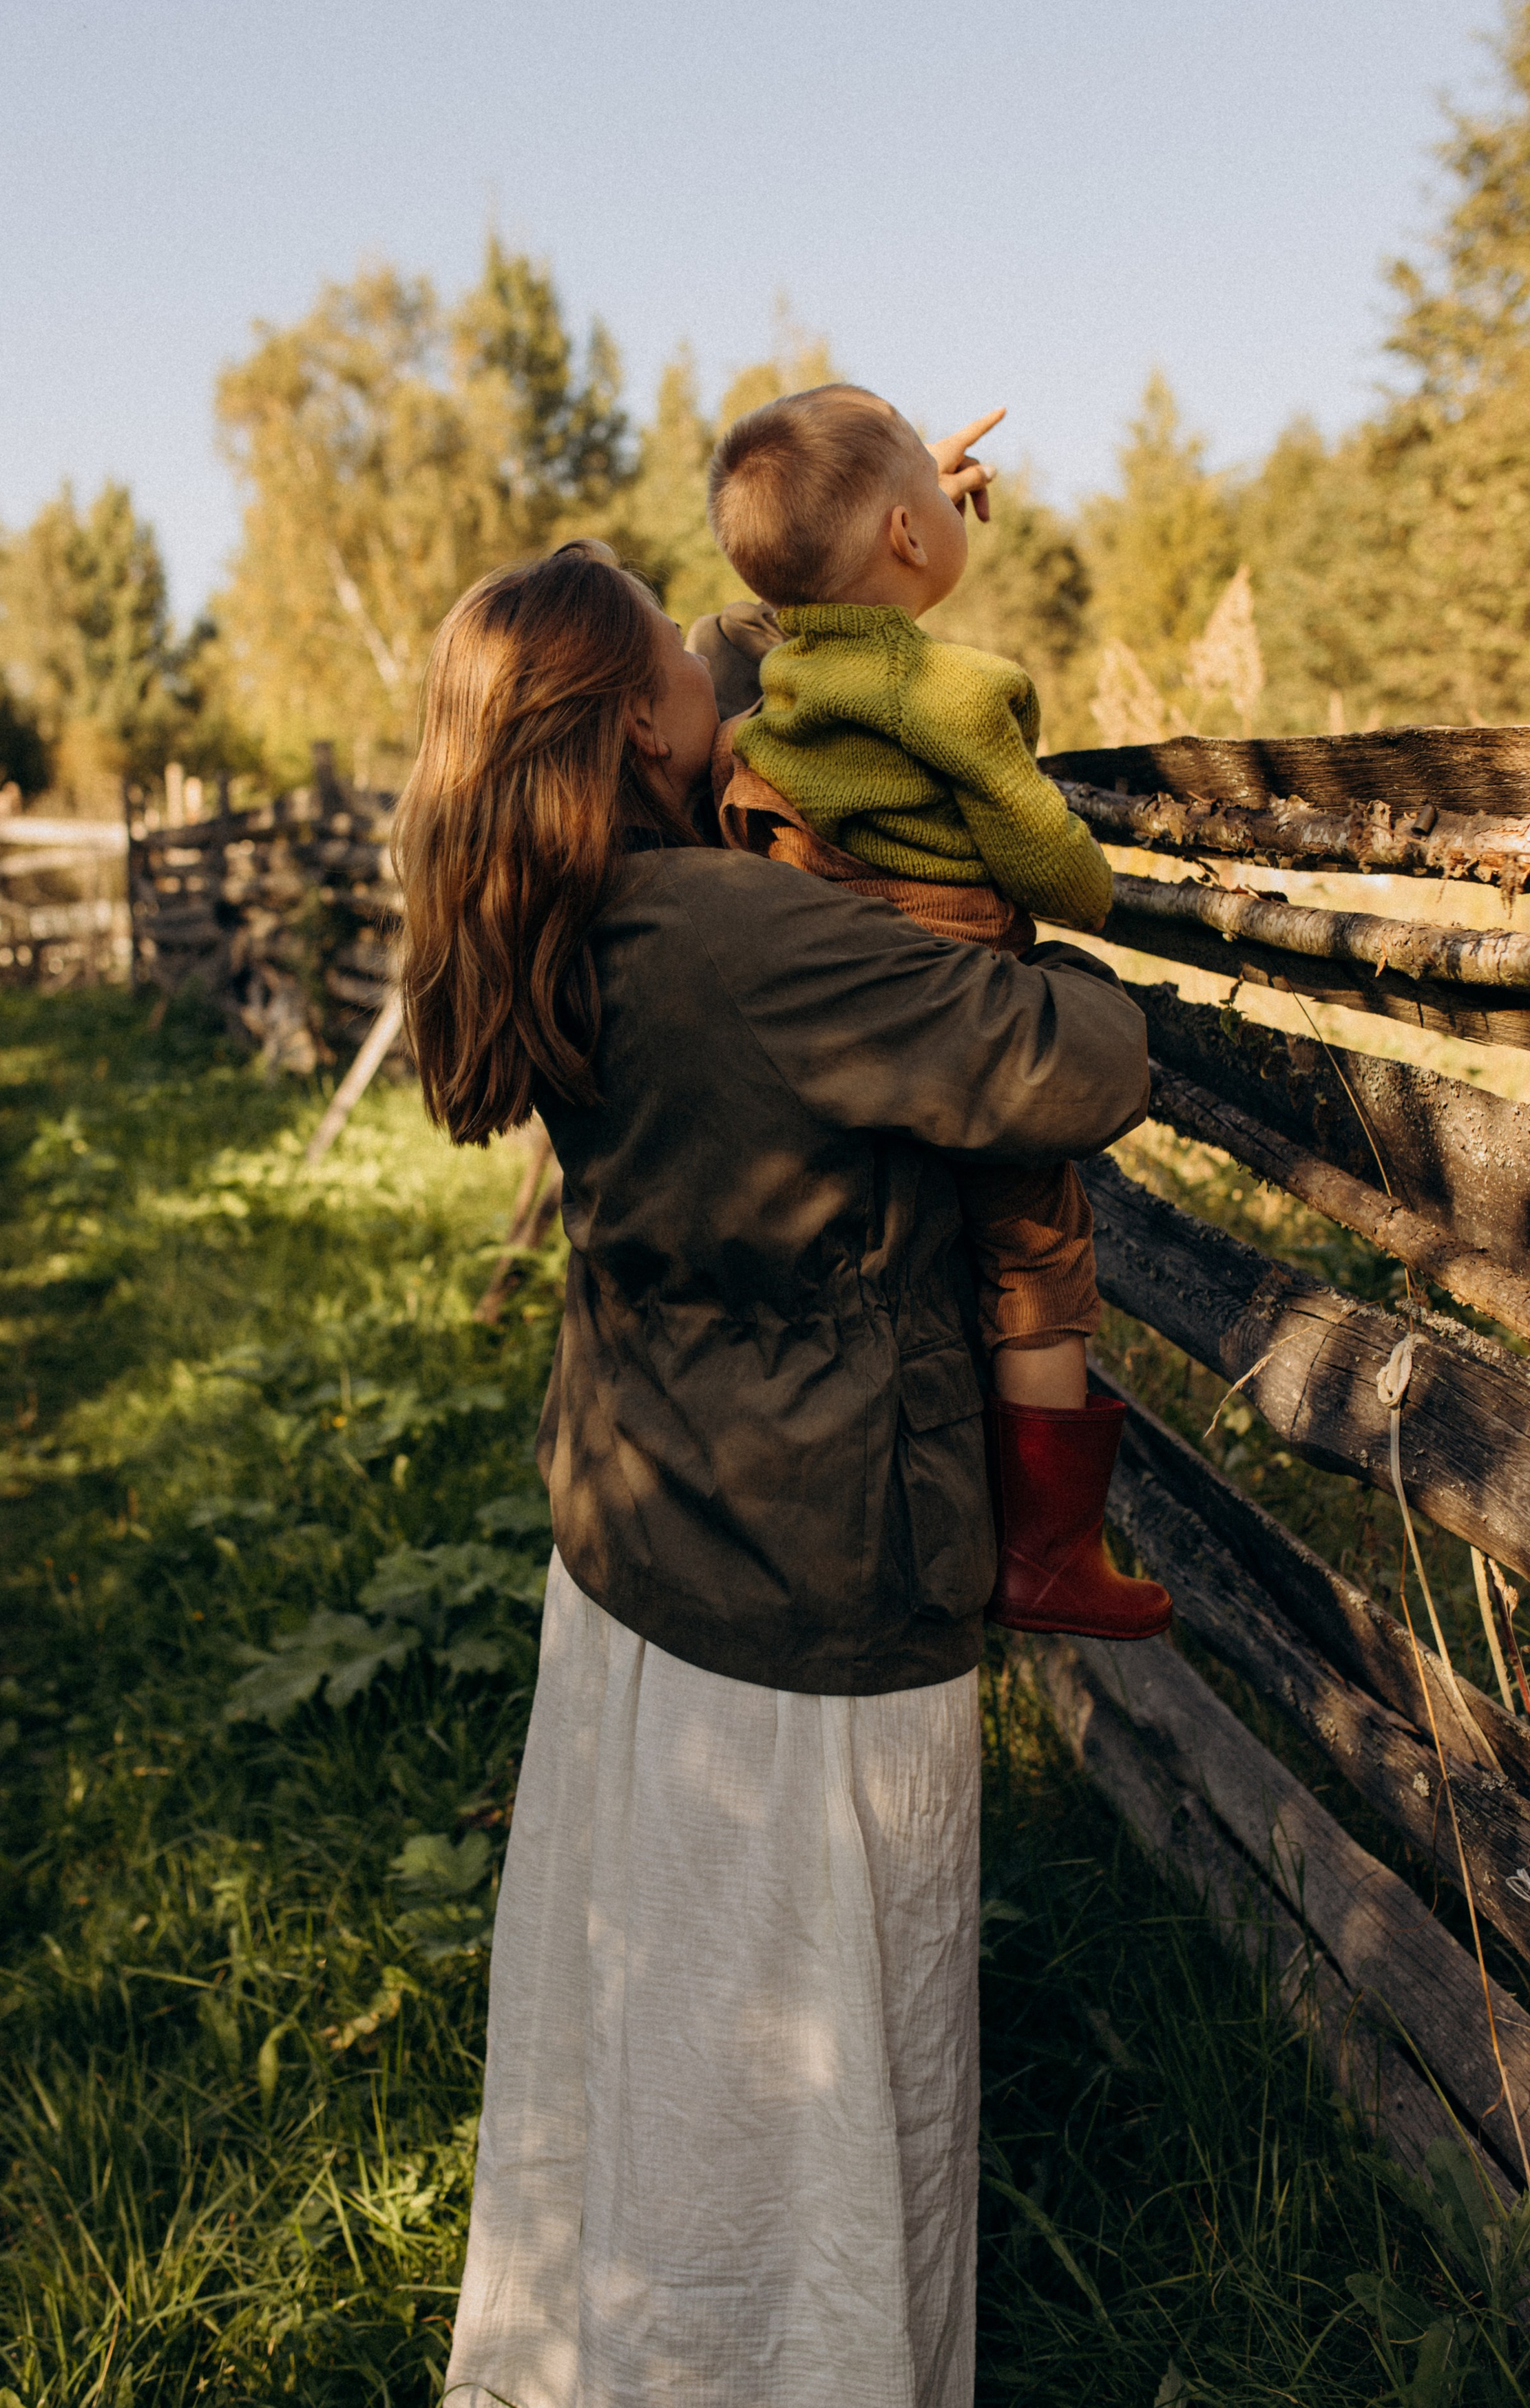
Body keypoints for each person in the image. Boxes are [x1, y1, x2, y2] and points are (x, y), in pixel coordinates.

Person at [397, 537, 1149, 2407]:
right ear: (642, 727)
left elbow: (735, 647)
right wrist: (1001, 931)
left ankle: (626, 2343)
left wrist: (862, 543)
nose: (705, 662)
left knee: (650, 1995)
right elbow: (1075, 1067)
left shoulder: (561, 904)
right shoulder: (751, 939)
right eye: (677, 652)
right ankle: (790, 2366)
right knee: (810, 2030)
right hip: (815, 1556)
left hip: (637, 1523)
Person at [705, 383, 1171, 1643]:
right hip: (959, 1002)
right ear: (913, 539)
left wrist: (900, 484)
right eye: (926, 499)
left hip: (834, 1017)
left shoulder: (777, 685)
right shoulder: (956, 692)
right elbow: (1058, 873)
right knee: (1036, 1254)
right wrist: (1097, 883)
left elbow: (811, 560)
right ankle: (1051, 1556)